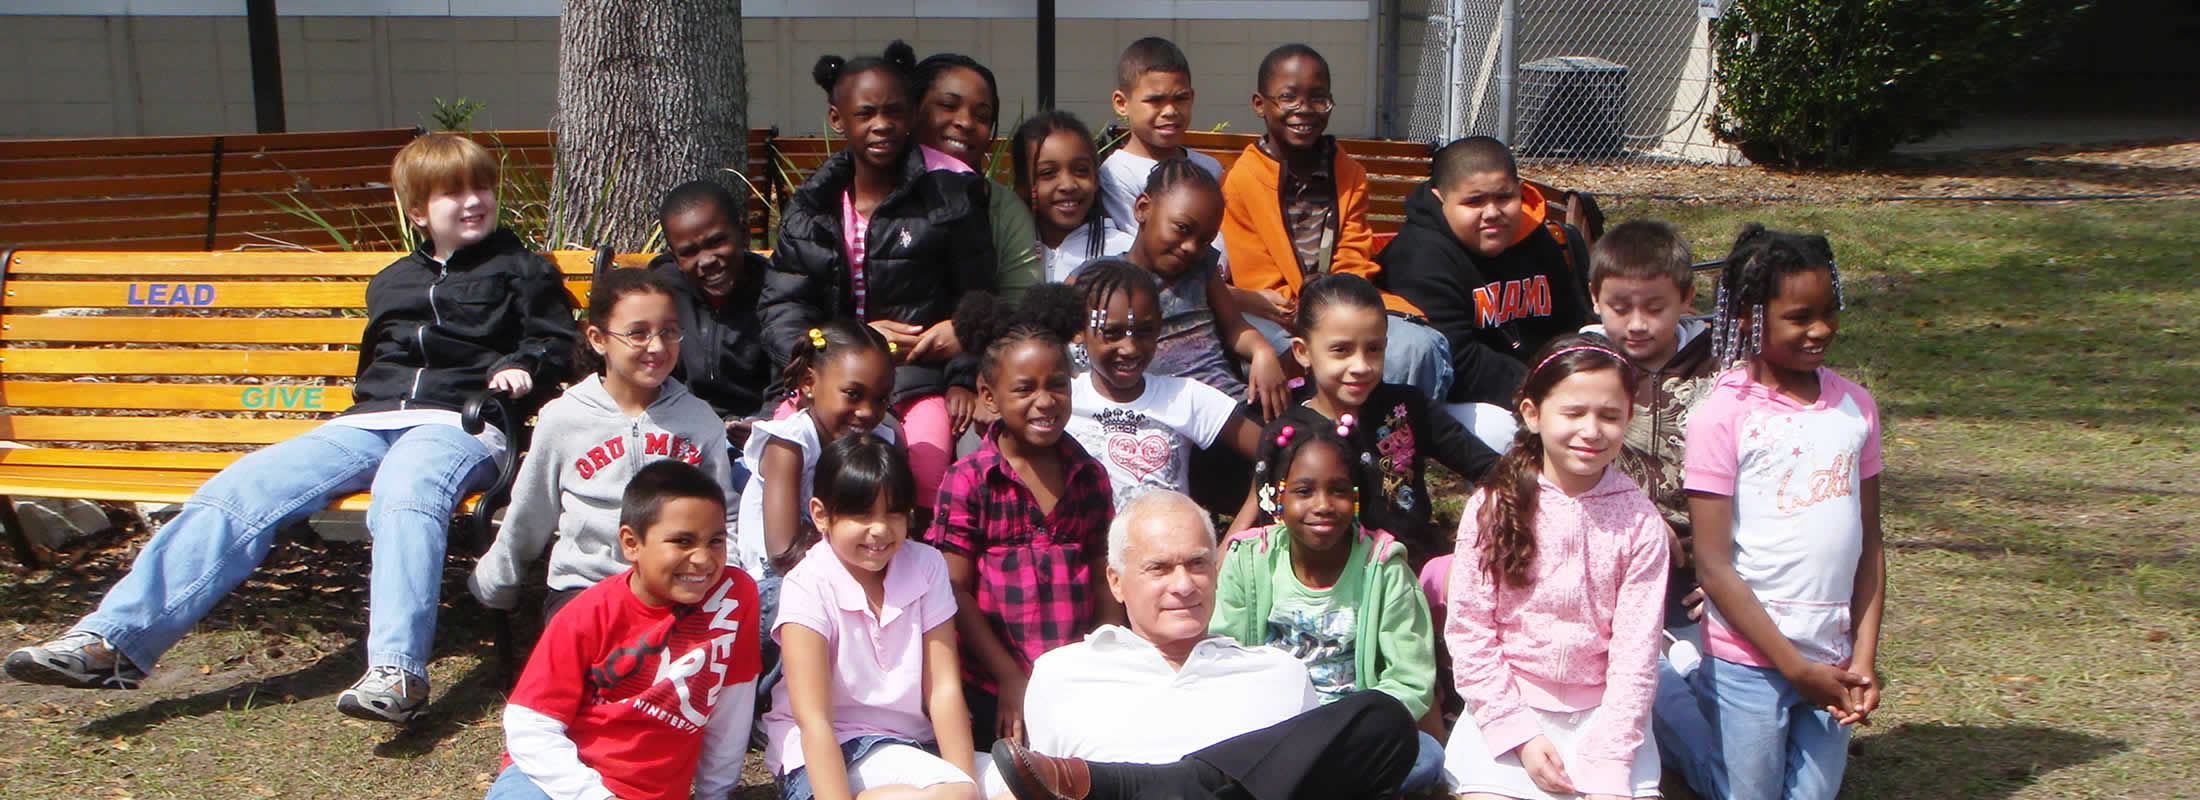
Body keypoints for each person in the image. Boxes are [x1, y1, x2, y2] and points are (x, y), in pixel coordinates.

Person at [3, 133, 577, 723]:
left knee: (408, 489)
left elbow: (558, 346)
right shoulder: (392, 281)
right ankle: (112, 641)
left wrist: (521, 367)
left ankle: (397, 672)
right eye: (453, 192)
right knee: (246, 484)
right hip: (370, 422)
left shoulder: (522, 269)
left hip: (461, 424)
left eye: (481, 186)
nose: (473, 200)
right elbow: (376, 365)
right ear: (417, 211)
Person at [987, 490, 1419, 800]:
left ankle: (1139, 785)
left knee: (1384, 717)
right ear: (1115, 582)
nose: (1183, 585)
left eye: (1197, 564)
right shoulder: (1063, 672)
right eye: (1159, 568)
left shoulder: (1277, 671)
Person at [1654, 225, 1886, 800]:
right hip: (1749, 654)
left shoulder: (1856, 407)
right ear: (1748, 318)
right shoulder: (1723, 415)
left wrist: (1863, 659)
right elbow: (1712, 564)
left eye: (1830, 312)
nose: (1822, 329)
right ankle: (1667, 691)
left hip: (1829, 654)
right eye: (1800, 316)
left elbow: (1871, 545)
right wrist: (1791, 667)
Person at [762, 40, 998, 528]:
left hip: (915, 379)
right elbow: (783, 308)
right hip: (831, 378)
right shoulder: (810, 209)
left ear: (912, 114)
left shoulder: (947, 200)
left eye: (894, 111)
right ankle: (785, 568)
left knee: (929, 460)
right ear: (837, 118)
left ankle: (925, 572)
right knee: (783, 444)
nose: (881, 124)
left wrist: (960, 375)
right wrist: (840, 348)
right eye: (865, 113)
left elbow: (978, 298)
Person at [1442, 335, 1669, 800]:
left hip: (1606, 717)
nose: (1592, 430)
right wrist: (1520, 736)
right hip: (1509, 708)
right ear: (1532, 414)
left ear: (1629, 418)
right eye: (1573, 413)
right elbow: (1470, 630)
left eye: (1609, 415)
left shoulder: (1640, 521)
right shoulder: (1493, 507)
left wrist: (1611, 754)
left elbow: (1636, 655)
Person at [482, 460, 759, 800]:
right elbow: (530, 725)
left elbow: (734, 705)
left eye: (715, 541)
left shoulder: (734, 597)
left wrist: (715, 794)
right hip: (553, 780)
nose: (702, 559)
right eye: (682, 541)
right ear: (631, 543)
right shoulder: (587, 615)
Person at [470, 267, 734, 620]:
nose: (656, 346)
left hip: (679, 589)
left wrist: (731, 578)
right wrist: (497, 583)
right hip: (586, 587)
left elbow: (725, 514)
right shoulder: (564, 418)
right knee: (605, 666)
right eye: (637, 333)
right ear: (598, 339)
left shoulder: (699, 420)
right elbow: (530, 512)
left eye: (668, 332)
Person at [932, 286, 1124, 747]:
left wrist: (1102, 662)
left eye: (1057, 384)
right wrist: (1009, 679)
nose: (1045, 400)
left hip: (1074, 679)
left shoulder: (1089, 476)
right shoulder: (968, 480)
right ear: (989, 396)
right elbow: (953, 591)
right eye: (1024, 388)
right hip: (991, 685)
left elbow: (1104, 581)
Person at [1210, 424, 1445, 793]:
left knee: (1426, 756)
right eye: (1304, 491)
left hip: (1352, 737)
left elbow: (1410, 681)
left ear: (1355, 497)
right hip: (1272, 729)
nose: (1322, 505)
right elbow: (1224, 658)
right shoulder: (1248, 562)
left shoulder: (1384, 568)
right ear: (1278, 497)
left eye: (1338, 491)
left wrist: (1347, 733)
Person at [1219, 43, 1454, 405]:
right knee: (1293, 356)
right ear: (1260, 105)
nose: (1304, 110)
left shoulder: (1348, 173)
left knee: (1416, 347)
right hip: (1280, 315)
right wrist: (1312, 307)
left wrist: (1337, 296)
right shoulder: (1243, 180)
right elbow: (1255, 274)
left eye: (1318, 98)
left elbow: (1354, 255)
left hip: (1345, 303)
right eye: (1288, 98)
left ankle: (1395, 443)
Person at [764, 434, 981, 800]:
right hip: (831, 752)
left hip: (914, 745)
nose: (880, 530)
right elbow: (813, 720)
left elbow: (943, 688)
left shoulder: (927, 566)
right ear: (820, 515)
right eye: (862, 515)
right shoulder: (808, 583)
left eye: (894, 513)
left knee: (1011, 789)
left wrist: (965, 785)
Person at [1234, 274, 1498, 561]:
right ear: (1303, 351)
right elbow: (1273, 534)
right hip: (1328, 589)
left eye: (1374, 349)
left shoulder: (1407, 407)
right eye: (1341, 350)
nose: (1360, 366)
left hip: (1413, 570)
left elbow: (1488, 466)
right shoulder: (1287, 434)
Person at [1377, 136, 1593, 428]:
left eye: (1504, 197)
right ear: (1442, 199)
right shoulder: (1417, 256)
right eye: (1474, 201)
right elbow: (1458, 360)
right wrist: (1547, 391)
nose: (1492, 213)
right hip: (1461, 400)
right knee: (1504, 433)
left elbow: (1570, 321)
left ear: (1519, 191)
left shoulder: (1536, 238)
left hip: (1548, 386)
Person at [1579, 219, 1716, 632]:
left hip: (1701, 566)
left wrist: (1730, 572)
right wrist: (1642, 520)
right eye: (1620, 308)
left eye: (1655, 309)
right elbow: (1544, 464)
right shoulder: (1579, 368)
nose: (1637, 324)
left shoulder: (1724, 371)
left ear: (1687, 298)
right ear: (1595, 298)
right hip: (1607, 548)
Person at [1059, 259, 1261, 511]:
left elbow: (1279, 455)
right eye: (1112, 333)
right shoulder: (1062, 400)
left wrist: (1233, 539)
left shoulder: (1186, 397)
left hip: (1172, 548)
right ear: (1080, 331)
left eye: (1144, 331)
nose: (1129, 348)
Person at [734, 319, 899, 625]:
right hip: (778, 583)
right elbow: (782, 553)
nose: (867, 412)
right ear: (809, 382)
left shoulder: (883, 438)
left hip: (849, 567)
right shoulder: (790, 444)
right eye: (852, 394)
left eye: (881, 399)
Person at [1122, 159, 1292, 419]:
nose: (1191, 246)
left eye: (1205, 240)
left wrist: (1262, 350)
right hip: (1162, 409)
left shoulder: (1200, 268)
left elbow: (1234, 326)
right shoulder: (1107, 278)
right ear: (1143, 208)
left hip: (1223, 402)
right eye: (1182, 229)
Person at [913, 52, 1046, 305]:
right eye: (948, 106)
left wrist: (966, 328)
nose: (965, 122)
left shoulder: (1003, 209)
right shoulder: (870, 193)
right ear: (912, 110)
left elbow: (1022, 307)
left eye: (982, 116)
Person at [648, 179, 776, 442]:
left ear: (744, 233)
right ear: (675, 258)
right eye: (689, 252)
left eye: (717, 242)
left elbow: (791, 375)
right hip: (682, 425)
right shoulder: (661, 292)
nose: (707, 261)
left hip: (760, 428)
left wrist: (766, 422)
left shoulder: (775, 290)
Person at [1096, 37, 1226, 237]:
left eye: (1180, 98)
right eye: (1155, 100)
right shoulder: (1116, 175)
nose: (1170, 111)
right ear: (1122, 103)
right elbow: (1142, 246)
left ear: (1192, 98)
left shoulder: (1210, 169)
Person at [1011, 111, 1134, 283]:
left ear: (1096, 179)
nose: (1068, 185)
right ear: (1022, 186)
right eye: (1048, 173)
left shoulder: (1123, 252)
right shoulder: (1010, 251)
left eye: (1081, 171)